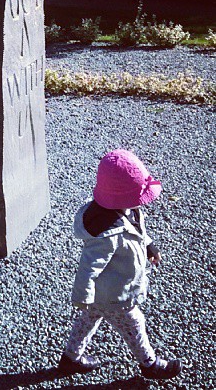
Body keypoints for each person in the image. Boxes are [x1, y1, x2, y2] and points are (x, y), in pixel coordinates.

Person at [58, 149, 182, 380]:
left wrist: (148, 245)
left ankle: (70, 359)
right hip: (114, 294)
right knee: (135, 324)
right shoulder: (107, 234)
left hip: (103, 294)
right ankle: (149, 364)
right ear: (123, 195)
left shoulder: (127, 210)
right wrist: (81, 296)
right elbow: (89, 267)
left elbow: (137, 231)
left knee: (88, 320)